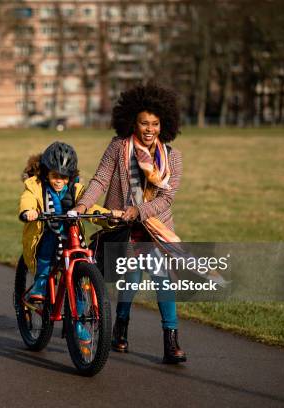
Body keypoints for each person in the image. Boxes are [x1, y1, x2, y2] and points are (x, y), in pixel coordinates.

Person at [73, 83, 187, 364]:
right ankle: (120, 328)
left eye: (155, 124)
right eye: (144, 123)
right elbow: (100, 179)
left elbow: (166, 198)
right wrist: (83, 205)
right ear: (132, 123)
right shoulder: (118, 147)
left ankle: (171, 341)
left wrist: (138, 211)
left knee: (162, 278)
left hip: (155, 227)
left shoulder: (172, 157)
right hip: (121, 226)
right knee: (131, 278)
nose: (149, 129)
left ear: (164, 125)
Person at [19, 142, 109, 345]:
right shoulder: (35, 186)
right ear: (45, 173)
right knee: (49, 243)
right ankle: (41, 284)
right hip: (46, 232)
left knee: (78, 275)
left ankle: (77, 323)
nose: (59, 181)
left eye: (64, 177)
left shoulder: (76, 189)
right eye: (54, 176)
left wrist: (108, 217)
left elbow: (90, 207)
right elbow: (28, 199)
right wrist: (29, 211)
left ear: (71, 176)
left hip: (70, 236)